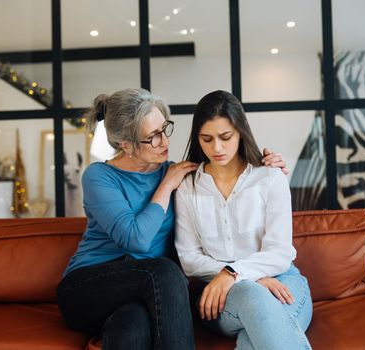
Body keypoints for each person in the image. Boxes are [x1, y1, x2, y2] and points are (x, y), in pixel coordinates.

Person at [56, 88, 288, 350]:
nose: (165, 142)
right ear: (125, 144)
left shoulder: (181, 174)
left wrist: (269, 166)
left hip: (139, 297)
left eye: (164, 129)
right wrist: (165, 186)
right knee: (164, 270)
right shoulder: (99, 177)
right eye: (152, 137)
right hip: (88, 290)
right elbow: (137, 239)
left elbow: (228, 173)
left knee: (133, 325)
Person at [175, 90, 313, 350]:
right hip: (223, 294)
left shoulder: (270, 177)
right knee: (251, 294)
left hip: (283, 281)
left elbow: (280, 251)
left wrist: (235, 272)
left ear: (240, 132)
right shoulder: (187, 188)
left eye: (225, 137)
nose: (216, 148)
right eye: (206, 139)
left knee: (255, 337)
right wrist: (242, 278)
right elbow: (189, 259)